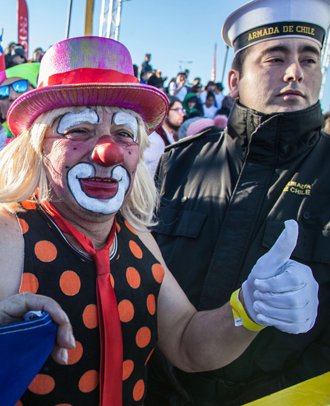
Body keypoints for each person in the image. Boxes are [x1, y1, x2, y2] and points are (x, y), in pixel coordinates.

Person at [0, 36, 318, 405]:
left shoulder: (139, 244)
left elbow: (188, 346)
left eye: (123, 133)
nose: (106, 152)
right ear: (39, 144)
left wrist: (247, 311)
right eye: (78, 130)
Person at [152, 0, 330, 404]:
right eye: (275, 57)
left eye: (309, 58)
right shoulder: (180, 161)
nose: (294, 72)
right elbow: (144, 276)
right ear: (234, 80)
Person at [143, 96, 184, 176]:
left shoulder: (171, 135)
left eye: (182, 110)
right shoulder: (154, 139)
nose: (182, 114)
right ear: (165, 112)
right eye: (178, 110)